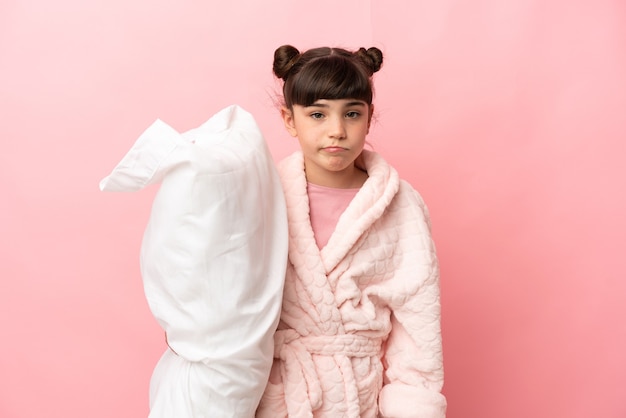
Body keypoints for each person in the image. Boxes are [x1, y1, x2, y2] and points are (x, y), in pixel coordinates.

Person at [256, 45, 447, 418]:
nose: (337, 130)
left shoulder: (400, 205)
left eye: (352, 113)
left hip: (357, 397)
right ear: (289, 119)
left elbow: (418, 326)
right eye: (317, 114)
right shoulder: (263, 197)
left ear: (369, 117)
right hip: (278, 393)